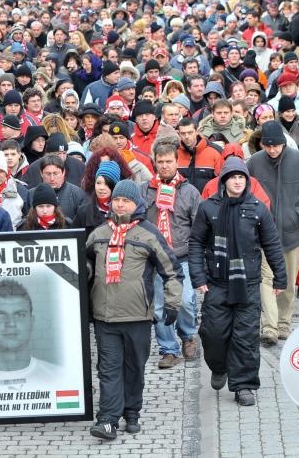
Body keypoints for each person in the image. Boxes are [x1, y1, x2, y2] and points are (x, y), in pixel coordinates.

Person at [85, 179, 182, 440]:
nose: (119, 204)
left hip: (138, 315)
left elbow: (172, 271)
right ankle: (107, 420)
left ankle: (132, 412)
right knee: (108, 368)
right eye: (116, 199)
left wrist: (172, 303)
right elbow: (86, 265)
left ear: (136, 203)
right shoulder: (99, 233)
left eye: (125, 200)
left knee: (134, 367)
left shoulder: (148, 233)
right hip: (105, 316)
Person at [189, 157, 287, 405]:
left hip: (248, 284)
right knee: (212, 334)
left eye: (241, 177)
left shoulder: (257, 209)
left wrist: (280, 278)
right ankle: (219, 366)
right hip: (217, 283)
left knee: (245, 337)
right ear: (223, 180)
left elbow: (272, 245)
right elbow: (196, 243)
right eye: (232, 177)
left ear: (247, 180)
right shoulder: (209, 207)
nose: (237, 181)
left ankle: (243, 385)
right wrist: (198, 276)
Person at [247, 121, 299, 345]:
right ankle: (269, 326)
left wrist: (296, 216)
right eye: (267, 146)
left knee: (288, 282)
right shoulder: (254, 163)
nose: (272, 150)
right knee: (266, 280)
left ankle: (284, 323)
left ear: (283, 143)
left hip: (291, 234)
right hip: (262, 235)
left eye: (276, 146)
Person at [140, 140, 202, 369]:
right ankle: (168, 349)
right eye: (160, 162)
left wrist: (199, 258)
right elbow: (138, 220)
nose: (165, 166)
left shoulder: (189, 191)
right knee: (159, 306)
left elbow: (199, 226)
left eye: (169, 161)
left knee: (185, 301)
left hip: (181, 257)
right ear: (154, 163)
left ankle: (188, 336)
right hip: (155, 259)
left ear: (177, 162)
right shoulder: (145, 189)